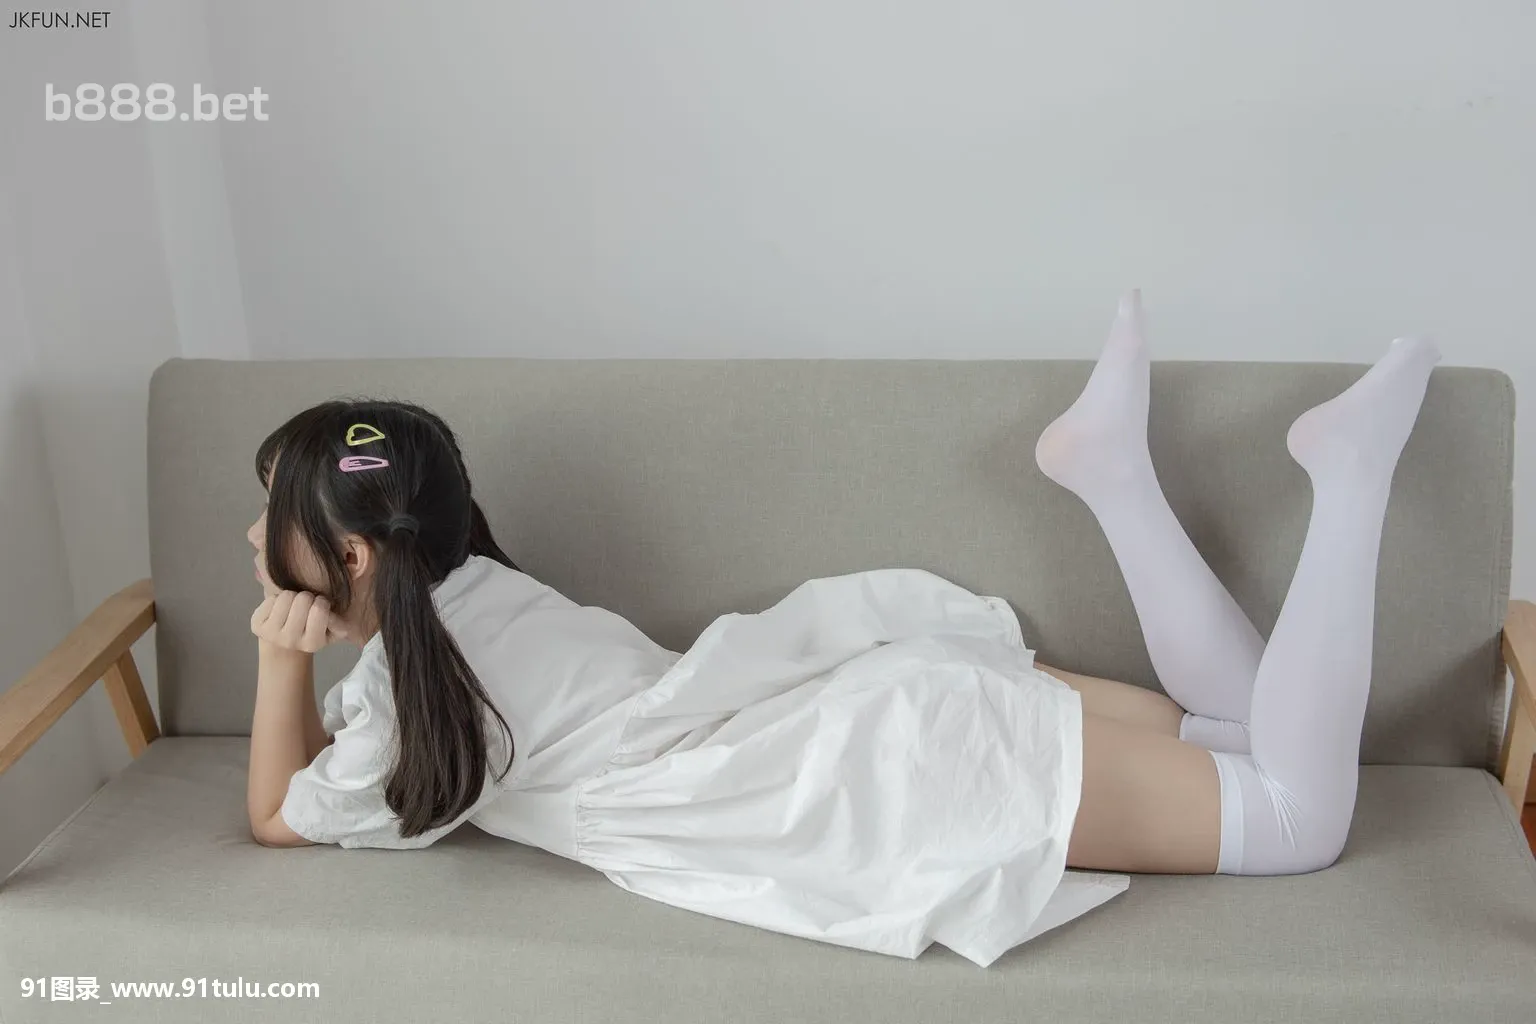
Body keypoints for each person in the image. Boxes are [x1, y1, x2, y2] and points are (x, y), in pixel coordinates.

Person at [246, 293, 1440, 967]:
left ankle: (1351, 483)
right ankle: (1114, 476)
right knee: (1242, 730)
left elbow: (274, 815)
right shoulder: (489, 595)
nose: (255, 539)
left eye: (272, 520)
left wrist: (276, 655)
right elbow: (362, 734)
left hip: (890, 771)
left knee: (1300, 816)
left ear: (351, 558)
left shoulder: (410, 702)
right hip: (874, 712)